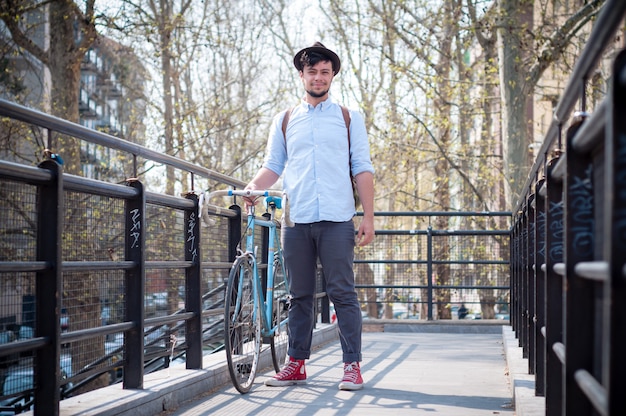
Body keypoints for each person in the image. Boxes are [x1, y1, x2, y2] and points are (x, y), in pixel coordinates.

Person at [244, 42, 375, 391]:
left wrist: (369, 217)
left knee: (342, 293)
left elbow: (362, 167)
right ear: (301, 75)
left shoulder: (349, 118)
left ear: (332, 76)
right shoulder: (285, 119)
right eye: (312, 71)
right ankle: (296, 364)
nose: (318, 78)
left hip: (337, 219)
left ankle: (351, 366)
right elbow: (273, 165)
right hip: (296, 220)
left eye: (324, 72)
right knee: (299, 295)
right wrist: (253, 188)